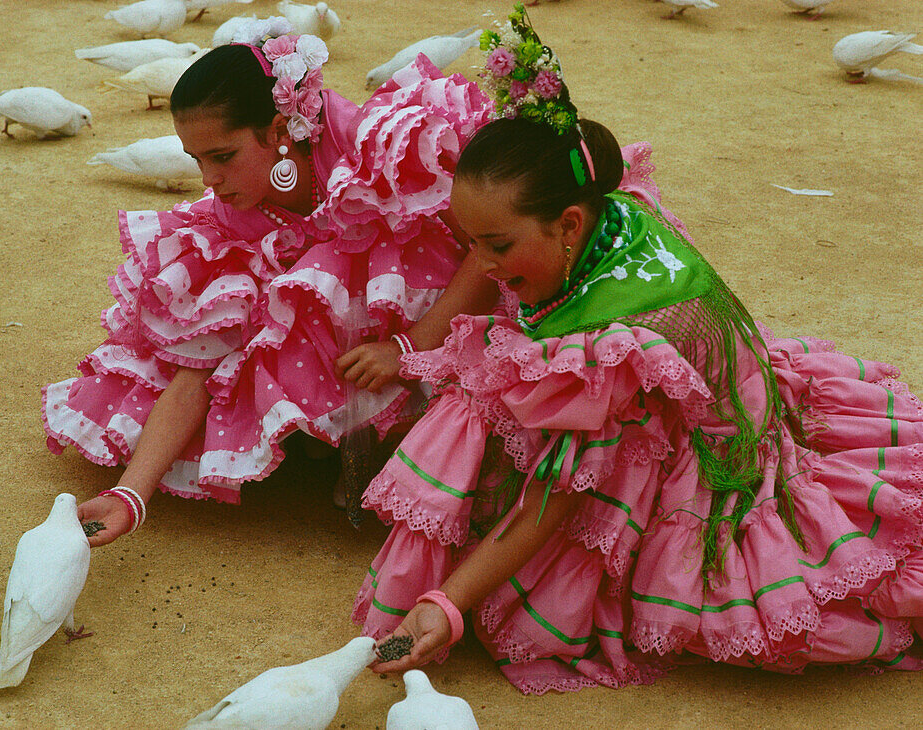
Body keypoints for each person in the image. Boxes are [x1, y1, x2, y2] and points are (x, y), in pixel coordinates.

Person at [355, 6, 923, 694]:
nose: (481, 263)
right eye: (468, 239)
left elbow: (556, 496)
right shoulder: (611, 211)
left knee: (765, 613)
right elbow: (511, 260)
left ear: (566, 223)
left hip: (723, 476)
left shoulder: (610, 341)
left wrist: (449, 601)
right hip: (727, 412)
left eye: (496, 245)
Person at [42, 19, 501, 546]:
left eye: (223, 157)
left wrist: (407, 348)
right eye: (197, 160)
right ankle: (341, 441)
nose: (209, 180)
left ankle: (385, 437)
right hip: (358, 348)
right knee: (252, 329)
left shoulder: (372, 148)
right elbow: (203, 361)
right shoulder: (234, 216)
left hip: (457, 308)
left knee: (357, 273)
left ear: (281, 132)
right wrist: (131, 495)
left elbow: (487, 249)